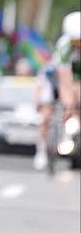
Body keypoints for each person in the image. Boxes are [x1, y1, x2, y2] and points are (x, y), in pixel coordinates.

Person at [34, 11, 80, 170]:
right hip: (53, 78)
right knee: (46, 115)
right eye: (76, 41)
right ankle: (41, 151)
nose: (79, 45)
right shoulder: (64, 47)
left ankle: (70, 136)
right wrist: (69, 105)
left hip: (76, 74)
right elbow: (65, 82)